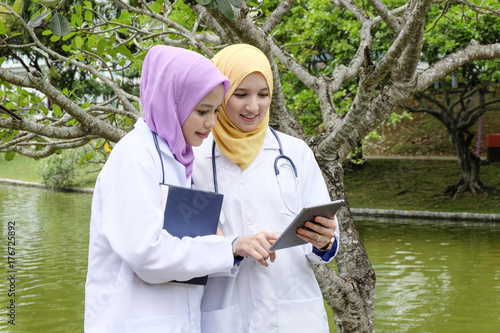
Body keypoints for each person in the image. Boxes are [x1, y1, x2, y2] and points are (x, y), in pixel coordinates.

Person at [84, 45, 276, 333]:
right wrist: (229, 247)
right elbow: (146, 253)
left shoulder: (179, 159)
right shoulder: (134, 157)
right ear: (172, 102)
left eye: (215, 111)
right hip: (132, 322)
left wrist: (231, 246)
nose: (211, 123)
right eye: (201, 111)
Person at [192, 44, 340, 333]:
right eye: (241, 94)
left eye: (263, 94)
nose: (253, 107)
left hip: (293, 313)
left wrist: (325, 241)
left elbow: (330, 236)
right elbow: (186, 244)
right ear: (219, 93)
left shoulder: (295, 153)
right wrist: (234, 246)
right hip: (225, 313)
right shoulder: (194, 157)